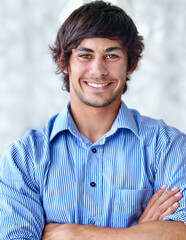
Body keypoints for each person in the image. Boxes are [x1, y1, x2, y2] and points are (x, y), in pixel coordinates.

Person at [0, 1, 185, 239]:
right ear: (63, 62)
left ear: (132, 63)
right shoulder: (24, 157)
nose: (98, 70)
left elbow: (180, 233)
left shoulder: (167, 146)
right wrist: (140, 232)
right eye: (85, 55)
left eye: (112, 55)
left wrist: (70, 233)